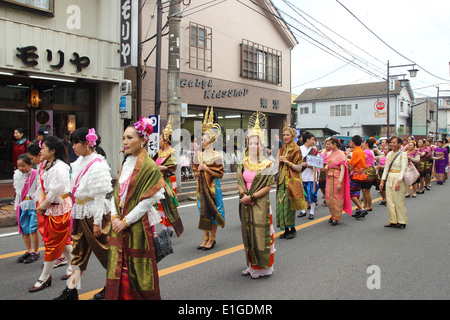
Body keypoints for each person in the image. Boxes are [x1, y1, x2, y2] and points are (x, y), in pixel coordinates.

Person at [106, 117, 166, 300]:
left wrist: (125, 221)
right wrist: (114, 216)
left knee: (138, 271)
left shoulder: (149, 167)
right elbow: (116, 194)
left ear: (143, 140)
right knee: (119, 268)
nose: (125, 141)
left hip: (137, 226)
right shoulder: (125, 163)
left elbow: (148, 202)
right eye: (124, 137)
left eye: (129, 137)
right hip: (119, 224)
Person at [54, 128, 113, 300]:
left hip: (95, 214)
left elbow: (100, 195)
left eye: (75, 143)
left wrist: (96, 222)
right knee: (78, 253)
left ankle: (113, 285)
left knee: (107, 253)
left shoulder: (98, 163)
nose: (72, 146)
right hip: (80, 213)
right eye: (71, 143)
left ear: (87, 143)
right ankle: (71, 290)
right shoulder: (78, 161)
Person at [29, 136, 73, 293]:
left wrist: (43, 206)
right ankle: (73, 267)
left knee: (52, 243)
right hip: (49, 208)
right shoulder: (45, 165)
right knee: (63, 241)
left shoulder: (60, 168)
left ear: (53, 151)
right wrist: (41, 204)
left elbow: (55, 192)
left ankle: (45, 276)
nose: (40, 150)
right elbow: (41, 187)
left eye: (43, 148)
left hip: (59, 209)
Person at [238, 111, 275, 279]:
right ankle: (251, 265)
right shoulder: (243, 161)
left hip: (260, 203)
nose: (253, 146)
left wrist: (252, 197)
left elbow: (268, 186)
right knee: (248, 235)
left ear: (262, 144)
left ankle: (261, 268)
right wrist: (244, 195)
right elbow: (239, 181)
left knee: (260, 234)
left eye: (256, 143)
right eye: (251, 143)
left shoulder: (268, 163)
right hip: (245, 202)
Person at [194, 107, 225, 251]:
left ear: (211, 140)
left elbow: (220, 174)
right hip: (201, 187)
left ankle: (212, 238)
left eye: (204, 139)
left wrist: (206, 169)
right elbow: (194, 173)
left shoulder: (217, 155)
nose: (202, 141)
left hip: (213, 187)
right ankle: (204, 237)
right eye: (201, 139)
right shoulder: (198, 155)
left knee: (214, 211)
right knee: (203, 211)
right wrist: (198, 171)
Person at [153, 115, 183, 237]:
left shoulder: (173, 152)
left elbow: (173, 167)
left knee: (169, 202)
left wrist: (162, 168)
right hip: (159, 180)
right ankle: (165, 226)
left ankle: (170, 226)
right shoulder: (159, 152)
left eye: (160, 139)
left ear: (166, 140)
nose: (159, 141)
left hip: (169, 180)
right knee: (160, 203)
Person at [276, 122, 307, 239]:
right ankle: (285, 229)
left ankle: (292, 229)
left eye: (287, 135)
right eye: (283, 135)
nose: (285, 137)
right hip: (282, 181)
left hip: (292, 180)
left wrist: (287, 161)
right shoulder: (282, 148)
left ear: (293, 136)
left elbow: (298, 168)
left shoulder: (296, 149)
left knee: (289, 206)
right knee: (281, 205)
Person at [13, 154, 40, 264]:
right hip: (22, 204)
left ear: (30, 164)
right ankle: (28, 250)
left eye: (23, 165)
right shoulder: (17, 175)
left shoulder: (35, 174)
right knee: (24, 229)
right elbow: (18, 193)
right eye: (19, 166)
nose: (20, 168)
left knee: (33, 228)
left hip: (33, 204)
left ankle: (36, 251)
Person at [380, 137, 408, 229]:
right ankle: (392, 220)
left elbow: (404, 168)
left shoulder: (403, 154)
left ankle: (401, 221)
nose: (392, 144)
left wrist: (399, 181)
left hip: (398, 177)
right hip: (390, 178)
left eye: (394, 142)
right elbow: (386, 168)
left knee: (398, 200)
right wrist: (382, 180)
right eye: (391, 142)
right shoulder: (389, 154)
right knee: (389, 200)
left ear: (399, 144)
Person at [324, 137, 352, 225]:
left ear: (335, 144)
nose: (328, 145)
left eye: (330, 144)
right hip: (329, 176)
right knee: (328, 196)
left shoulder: (341, 154)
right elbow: (327, 166)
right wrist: (323, 168)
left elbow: (343, 169)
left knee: (337, 196)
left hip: (337, 176)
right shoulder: (329, 154)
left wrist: (340, 182)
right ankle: (332, 214)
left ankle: (336, 217)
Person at [298, 132, 319, 220]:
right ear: (307, 140)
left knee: (312, 194)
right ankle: (303, 210)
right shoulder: (298, 149)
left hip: (311, 176)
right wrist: (301, 163)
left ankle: (312, 212)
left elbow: (318, 163)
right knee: (302, 194)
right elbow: (294, 161)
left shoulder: (315, 151)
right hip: (301, 175)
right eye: (312, 139)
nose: (314, 141)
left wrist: (312, 165)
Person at [348, 135, 368, 218]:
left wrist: (347, 159)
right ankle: (360, 209)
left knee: (351, 193)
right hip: (360, 173)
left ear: (353, 142)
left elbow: (352, 164)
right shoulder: (360, 150)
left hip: (356, 174)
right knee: (356, 193)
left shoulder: (356, 151)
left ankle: (361, 209)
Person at [361, 138, 377, 212]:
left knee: (366, 190)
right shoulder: (367, 151)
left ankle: (369, 205)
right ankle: (365, 204)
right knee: (364, 189)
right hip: (365, 171)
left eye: (364, 142)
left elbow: (361, 159)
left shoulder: (367, 152)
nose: (363, 144)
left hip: (368, 172)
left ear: (366, 144)